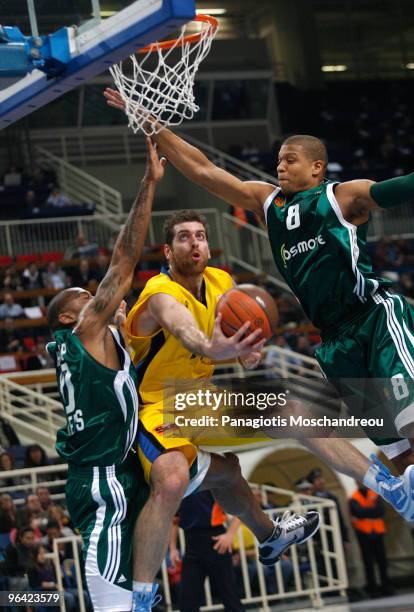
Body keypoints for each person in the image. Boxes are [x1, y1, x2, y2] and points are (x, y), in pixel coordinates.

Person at [105, 90, 414, 478]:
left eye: (290, 160)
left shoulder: (341, 196)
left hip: (373, 318)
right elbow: (203, 171)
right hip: (335, 342)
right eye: (278, 160)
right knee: (400, 455)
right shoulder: (267, 203)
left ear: (317, 167)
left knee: (410, 424)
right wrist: (153, 125)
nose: (280, 166)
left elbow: (395, 190)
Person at [124, 209, 320, 611]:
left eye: (200, 235)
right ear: (167, 249)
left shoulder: (223, 283)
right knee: (174, 477)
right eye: (184, 237)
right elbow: (188, 332)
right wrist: (215, 349)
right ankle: (140, 599)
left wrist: (249, 353)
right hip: (157, 405)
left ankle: (276, 534)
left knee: (296, 410)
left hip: (200, 397)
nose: (194, 243)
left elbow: (233, 339)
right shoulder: (159, 293)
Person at [45, 137, 165, 612]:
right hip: (105, 483)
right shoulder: (83, 331)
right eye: (83, 296)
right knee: (116, 607)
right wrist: (147, 184)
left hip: (114, 473)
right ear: (67, 319)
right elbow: (123, 260)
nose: (93, 296)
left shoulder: (85, 342)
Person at [169, 490, 244, 612]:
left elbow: (241, 507)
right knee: (187, 603)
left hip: (215, 542)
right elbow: (174, 519)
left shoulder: (213, 479)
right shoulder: (181, 485)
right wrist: (172, 548)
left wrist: (230, 535)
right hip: (191, 545)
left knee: (230, 599)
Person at [349, 482, 393, 598]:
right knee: (368, 562)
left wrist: (366, 511)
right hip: (363, 533)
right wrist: (371, 510)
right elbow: (357, 513)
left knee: (382, 561)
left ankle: (386, 586)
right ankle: (372, 588)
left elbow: (380, 510)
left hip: (377, 532)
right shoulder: (354, 497)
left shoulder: (374, 494)